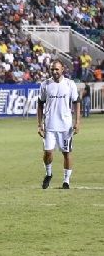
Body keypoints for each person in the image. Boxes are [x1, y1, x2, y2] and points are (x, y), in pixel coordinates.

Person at [37, 60, 80, 190]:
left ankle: (66, 180)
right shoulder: (45, 85)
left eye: (56, 69)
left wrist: (77, 122)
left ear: (62, 69)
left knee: (66, 153)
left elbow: (76, 102)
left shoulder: (69, 84)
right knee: (48, 152)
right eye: (52, 69)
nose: (54, 71)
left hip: (65, 126)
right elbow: (40, 104)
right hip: (49, 125)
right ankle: (48, 174)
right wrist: (39, 125)